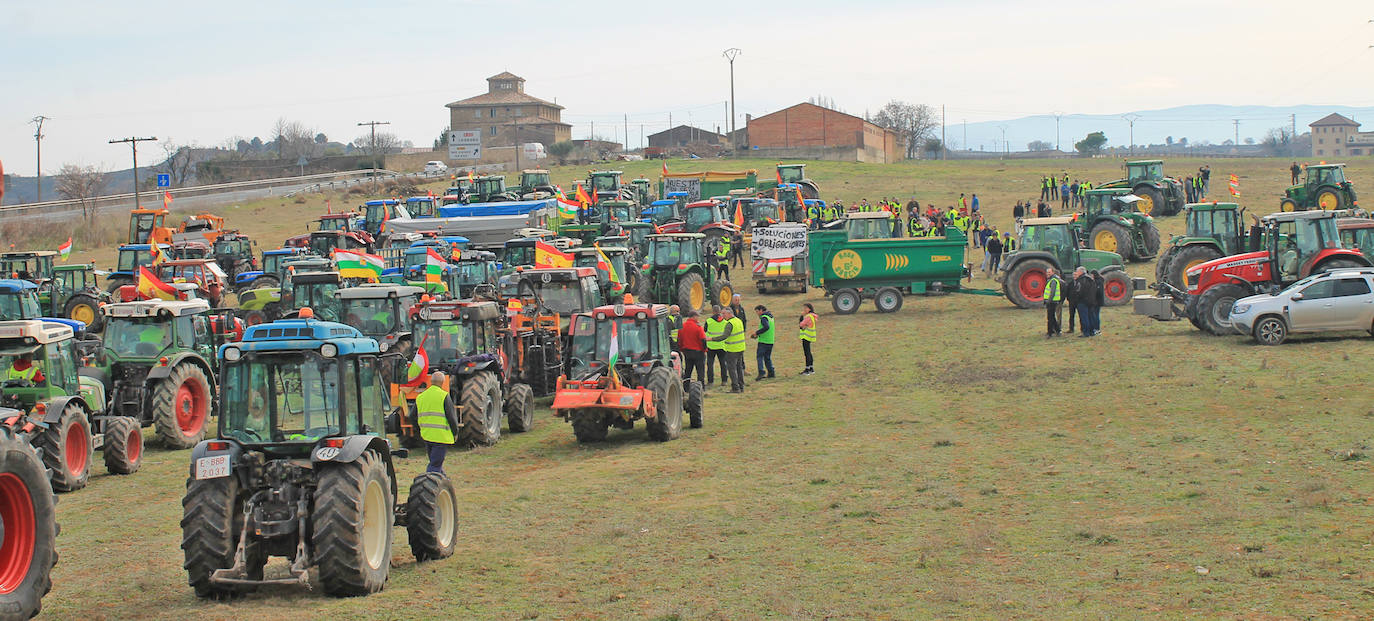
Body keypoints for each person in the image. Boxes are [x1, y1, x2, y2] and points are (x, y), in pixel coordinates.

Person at [415, 371, 460, 474]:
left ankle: (443, 481)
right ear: (443, 382)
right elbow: (451, 418)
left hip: (427, 436)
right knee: (435, 465)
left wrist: (420, 430)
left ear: (430, 381)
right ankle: (430, 484)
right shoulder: (444, 396)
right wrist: (455, 432)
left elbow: (413, 416)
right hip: (440, 437)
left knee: (435, 462)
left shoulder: (421, 397)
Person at [712, 307, 746, 393]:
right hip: (740, 348)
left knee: (732, 369)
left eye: (724, 314)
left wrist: (711, 339)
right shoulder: (738, 321)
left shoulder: (729, 323)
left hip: (732, 349)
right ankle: (741, 386)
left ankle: (735, 387)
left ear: (729, 313)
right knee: (739, 368)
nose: (722, 316)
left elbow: (724, 336)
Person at [677, 309, 707, 382]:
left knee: (688, 370)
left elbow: (679, 339)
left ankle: (686, 386)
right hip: (698, 352)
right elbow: (703, 340)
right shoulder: (698, 327)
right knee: (700, 371)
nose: (698, 318)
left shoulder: (682, 326)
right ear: (694, 317)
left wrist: (681, 349)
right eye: (697, 317)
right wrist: (704, 350)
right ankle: (701, 386)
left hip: (687, 351)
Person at [703, 306, 728, 387]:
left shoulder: (709, 321)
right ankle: (724, 381)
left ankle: (710, 382)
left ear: (712, 311)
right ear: (720, 311)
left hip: (711, 346)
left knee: (710, 364)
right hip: (722, 346)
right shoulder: (725, 321)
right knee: (723, 364)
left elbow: (704, 332)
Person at [750, 304, 775, 380]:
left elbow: (766, 327)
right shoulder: (770, 317)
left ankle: (761, 372)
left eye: (757, 311)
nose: (757, 313)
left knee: (759, 357)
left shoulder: (764, 318)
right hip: (770, 341)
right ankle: (771, 372)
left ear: (761, 310)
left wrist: (757, 333)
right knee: (767, 357)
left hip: (763, 341)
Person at [1069, 267, 1089, 335]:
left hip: (1081, 302)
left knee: (1083, 317)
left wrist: (1078, 298)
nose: (1075, 275)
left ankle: (1085, 331)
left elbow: (1080, 292)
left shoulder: (1082, 281)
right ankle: (1073, 329)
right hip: (1075, 302)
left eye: (1077, 272)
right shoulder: (1072, 283)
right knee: (1074, 315)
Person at [1043, 267, 1063, 338]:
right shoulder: (1051, 280)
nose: (1047, 274)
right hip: (1052, 301)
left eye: (1049, 272)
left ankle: (1050, 333)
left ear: (1053, 272)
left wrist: (1048, 301)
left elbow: (1052, 292)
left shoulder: (1053, 280)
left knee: (1050, 318)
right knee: (1052, 317)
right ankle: (1058, 330)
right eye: (1047, 272)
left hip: (1052, 302)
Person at [798, 302, 818, 375]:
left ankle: (807, 369)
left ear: (809, 309)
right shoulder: (813, 316)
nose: (804, 310)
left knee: (807, 353)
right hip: (810, 336)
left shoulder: (808, 316)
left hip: (806, 336)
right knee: (809, 352)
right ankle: (811, 368)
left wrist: (801, 316)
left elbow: (801, 325)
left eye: (805, 308)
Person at [1089, 269, 1105, 336]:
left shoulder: (1098, 282)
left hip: (1097, 301)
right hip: (1097, 301)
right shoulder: (1099, 280)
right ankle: (1095, 328)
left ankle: (1097, 329)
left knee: (1095, 315)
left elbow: (1099, 292)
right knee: (1095, 315)